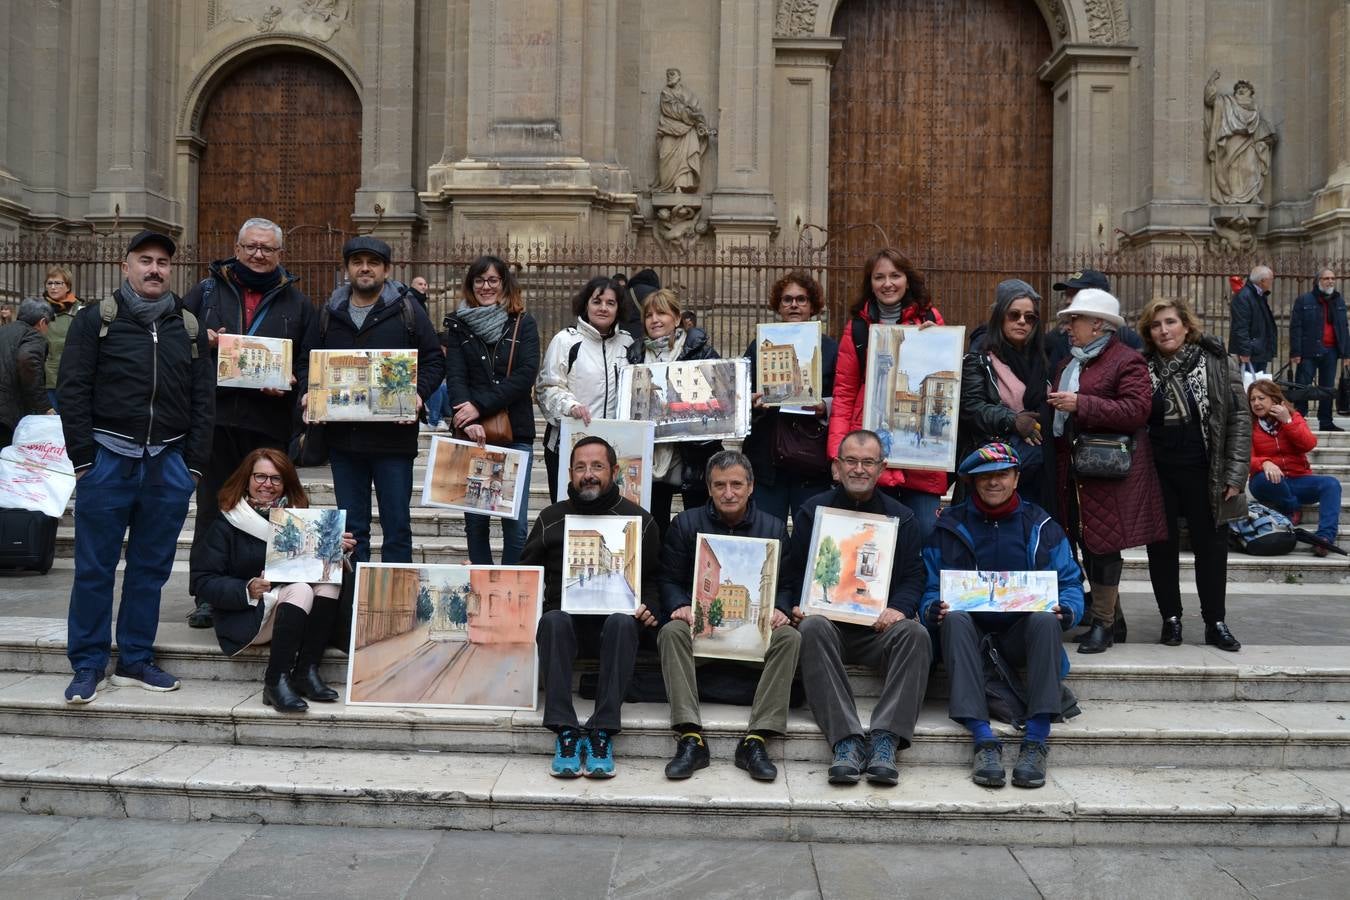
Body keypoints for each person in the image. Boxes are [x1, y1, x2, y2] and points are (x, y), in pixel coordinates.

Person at [58, 231, 213, 704]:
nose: (154, 269)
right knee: (94, 569)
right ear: (126, 266)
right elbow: (73, 390)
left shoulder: (186, 327)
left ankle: (135, 659)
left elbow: (203, 398)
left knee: (150, 569)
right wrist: (84, 460)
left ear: (171, 271)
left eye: (163, 262)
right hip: (108, 460)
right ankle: (87, 663)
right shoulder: (95, 320)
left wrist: (192, 467)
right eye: (144, 260)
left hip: (166, 463)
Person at [921, 442, 1084, 789]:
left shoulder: (1042, 526)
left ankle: (1037, 739)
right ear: (971, 482)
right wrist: (931, 607)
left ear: (1016, 478)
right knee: (954, 617)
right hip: (970, 640)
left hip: (1021, 636)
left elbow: (1070, 582)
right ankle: (982, 739)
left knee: (1044, 618)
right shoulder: (948, 526)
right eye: (985, 476)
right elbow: (931, 584)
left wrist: (1068, 610)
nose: (994, 482)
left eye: (1002, 474)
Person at [183, 217, 314, 629]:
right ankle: (208, 593)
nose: (259, 255)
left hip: (267, 422)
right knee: (213, 507)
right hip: (215, 420)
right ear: (237, 249)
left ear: (280, 255)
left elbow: (308, 363)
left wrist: (292, 387)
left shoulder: (298, 303)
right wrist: (201, 340)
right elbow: (175, 342)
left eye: (267, 249)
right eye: (251, 247)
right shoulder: (205, 292)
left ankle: (267, 584)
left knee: (270, 509)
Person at [791, 429, 931, 786]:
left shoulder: (903, 518)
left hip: (878, 628)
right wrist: (796, 604)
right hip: (830, 627)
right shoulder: (812, 512)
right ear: (836, 467)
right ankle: (847, 740)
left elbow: (915, 576)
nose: (859, 469)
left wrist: (899, 608)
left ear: (881, 468)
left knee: (916, 633)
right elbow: (793, 573)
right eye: (851, 461)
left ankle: (885, 739)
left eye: (868, 462)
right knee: (810, 628)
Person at [296, 236, 445, 564]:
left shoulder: (408, 310)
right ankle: (351, 604)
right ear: (347, 268)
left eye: (373, 262)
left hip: (393, 442)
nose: (365, 268)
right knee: (351, 531)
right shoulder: (328, 313)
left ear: (386, 269)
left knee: (397, 528)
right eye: (357, 262)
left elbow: (434, 360)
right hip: (344, 442)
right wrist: (309, 391)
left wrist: (418, 396)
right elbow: (307, 359)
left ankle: (394, 605)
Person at [520, 437, 661, 778]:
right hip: (564, 629)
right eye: (581, 467)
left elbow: (655, 579)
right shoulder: (551, 518)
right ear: (569, 472)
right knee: (552, 620)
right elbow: (525, 574)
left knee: (622, 623)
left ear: (614, 471)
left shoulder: (640, 521)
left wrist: (650, 607)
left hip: (616, 631)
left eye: (597, 466)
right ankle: (565, 730)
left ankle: (602, 731)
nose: (588, 475)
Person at [656, 450, 800, 782]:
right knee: (670, 631)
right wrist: (679, 604)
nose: (729, 493)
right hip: (699, 635)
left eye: (736, 484)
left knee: (791, 636)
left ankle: (756, 739)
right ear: (708, 488)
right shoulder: (686, 523)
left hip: (756, 645)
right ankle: (690, 737)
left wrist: (779, 608)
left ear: (751, 487)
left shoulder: (774, 528)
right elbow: (667, 578)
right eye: (720, 485)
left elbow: (787, 583)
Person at [189, 449, 356, 712]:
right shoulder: (227, 522)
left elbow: (314, 568)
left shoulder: (300, 520)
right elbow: (204, 580)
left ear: (286, 483)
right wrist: (246, 588)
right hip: (247, 614)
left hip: (291, 611)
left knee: (328, 581)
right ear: (247, 479)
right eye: (260, 477)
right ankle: (275, 680)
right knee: (300, 589)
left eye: (276, 479)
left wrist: (336, 551)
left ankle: (306, 670)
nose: (267, 485)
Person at [1049, 288, 1168, 654]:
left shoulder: (1126, 360)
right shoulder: (1072, 363)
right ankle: (1111, 618)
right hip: (1075, 470)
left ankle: (1103, 625)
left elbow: (1136, 410)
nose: (1068, 327)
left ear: (1098, 324)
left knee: (1103, 548)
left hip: (1108, 473)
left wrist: (1080, 404)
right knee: (1086, 543)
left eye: (1075, 320)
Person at [1139, 297, 1248, 651]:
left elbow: (1238, 419)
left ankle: (1215, 621)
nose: (1164, 330)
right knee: (1161, 549)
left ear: (1187, 326)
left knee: (1212, 549)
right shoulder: (1141, 367)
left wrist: (1235, 473)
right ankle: (1171, 619)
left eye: (1170, 322)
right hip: (1157, 472)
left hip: (1207, 470)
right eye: (1156, 325)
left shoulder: (1216, 362)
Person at [829, 248, 948, 542]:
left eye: (895, 275)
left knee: (922, 540)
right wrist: (836, 454)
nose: (888, 283)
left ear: (908, 279)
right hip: (868, 456)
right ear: (870, 283)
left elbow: (948, 378)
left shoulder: (932, 319)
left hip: (921, 464)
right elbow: (843, 393)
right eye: (879, 277)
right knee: (872, 542)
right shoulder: (857, 327)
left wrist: (938, 342)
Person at [443, 255, 540, 564]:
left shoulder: (523, 322)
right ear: (471, 286)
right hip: (473, 434)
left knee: (514, 523)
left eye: (493, 280)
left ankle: (511, 588)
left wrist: (478, 407)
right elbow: (455, 375)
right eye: (479, 281)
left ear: (504, 284)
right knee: (476, 523)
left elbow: (525, 376)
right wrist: (465, 418)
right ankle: (481, 589)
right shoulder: (458, 324)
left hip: (515, 433)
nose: (486, 286)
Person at [743, 271, 837, 523]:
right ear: (779, 305)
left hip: (811, 462)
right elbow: (740, 393)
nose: (794, 304)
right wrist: (752, 401)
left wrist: (824, 406)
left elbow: (845, 397)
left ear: (813, 305)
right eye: (787, 299)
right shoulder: (759, 346)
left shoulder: (830, 348)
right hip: (767, 461)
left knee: (808, 536)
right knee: (766, 532)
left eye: (801, 299)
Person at [626, 287, 719, 537]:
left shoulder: (700, 352)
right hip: (652, 455)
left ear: (677, 318)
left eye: (662, 313)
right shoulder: (635, 355)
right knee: (653, 528)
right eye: (649, 315)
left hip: (691, 456)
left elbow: (719, 400)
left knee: (695, 528)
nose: (655, 320)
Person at [536, 276, 635, 502]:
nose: (603, 308)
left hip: (613, 449)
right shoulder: (565, 341)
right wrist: (570, 406)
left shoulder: (628, 344)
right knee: (568, 516)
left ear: (618, 308)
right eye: (597, 301)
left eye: (611, 303)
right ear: (585, 304)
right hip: (568, 446)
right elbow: (547, 387)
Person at [959, 279, 1054, 512]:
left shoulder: (1043, 360)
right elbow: (971, 408)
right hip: (994, 468)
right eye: (1014, 315)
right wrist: (1014, 421)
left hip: (1038, 468)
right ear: (1000, 316)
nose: (1022, 321)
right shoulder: (980, 359)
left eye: (1029, 317)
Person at [1247, 380, 1342, 555]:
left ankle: (1324, 539)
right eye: (1252, 399)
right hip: (1268, 482)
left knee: (1331, 484)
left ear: (1274, 399)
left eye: (1261, 398)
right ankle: (1292, 507)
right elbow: (1245, 457)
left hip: (1298, 479)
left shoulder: (1293, 417)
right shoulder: (1249, 425)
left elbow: (1308, 444)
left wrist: (1288, 422)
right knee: (1262, 479)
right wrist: (1265, 462)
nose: (1256, 403)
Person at [1045, 270, 1142, 374]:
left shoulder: (1127, 340)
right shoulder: (1057, 340)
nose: (1068, 300)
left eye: (1076, 295)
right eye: (1067, 294)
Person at [1288, 268, 1349, 432]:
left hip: (1331, 351)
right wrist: (1295, 352)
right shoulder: (1304, 300)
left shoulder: (1338, 301)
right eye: (1326, 278)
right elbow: (1296, 327)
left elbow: (1343, 328)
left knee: (1327, 388)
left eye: (1332, 278)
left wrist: (1346, 353)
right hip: (1308, 351)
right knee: (1303, 387)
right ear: (1318, 281)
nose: (1330, 281)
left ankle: (1326, 421)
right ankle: (1299, 420)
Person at [0, 298, 52, 447]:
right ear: (42, 322)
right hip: (7, 410)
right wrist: (44, 406)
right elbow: (28, 361)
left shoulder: (4, 330)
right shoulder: (33, 336)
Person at [41, 265, 80, 411]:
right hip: (49, 379)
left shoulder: (80, 310)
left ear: (68, 286)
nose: (53, 287)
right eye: (49, 283)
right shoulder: (39, 310)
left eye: (58, 283)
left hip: (74, 377)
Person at [1229, 265, 1278, 372]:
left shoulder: (1258, 295)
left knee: (1258, 383)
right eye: (1271, 279)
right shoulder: (1245, 296)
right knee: (1249, 383)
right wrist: (1245, 352)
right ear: (1262, 281)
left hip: (1259, 349)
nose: (1272, 282)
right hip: (1251, 351)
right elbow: (1241, 327)